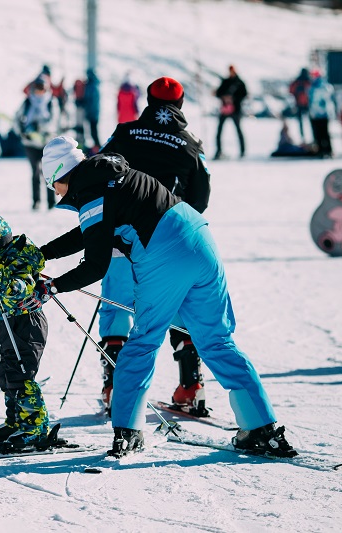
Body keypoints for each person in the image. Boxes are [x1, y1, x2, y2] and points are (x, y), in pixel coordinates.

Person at [38, 136, 297, 459]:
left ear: (59, 176)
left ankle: (129, 431)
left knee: (144, 340)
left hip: (163, 253)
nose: (57, 194)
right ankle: (261, 427)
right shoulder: (108, 176)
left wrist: (52, 287)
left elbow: (96, 263)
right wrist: (42, 254)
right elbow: (93, 232)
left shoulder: (90, 189)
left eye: (53, 186)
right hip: (199, 238)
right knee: (217, 340)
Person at [97, 77, 212, 417]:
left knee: (116, 305)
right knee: (178, 307)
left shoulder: (124, 133)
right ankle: (190, 386)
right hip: (169, 240)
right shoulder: (190, 146)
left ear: (147, 99)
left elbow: (98, 173)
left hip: (122, 235)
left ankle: (114, 386)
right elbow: (201, 200)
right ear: (180, 104)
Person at [0, 214, 55, 452]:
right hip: (9, 322)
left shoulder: (18, 259)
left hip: (27, 323)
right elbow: (0, 298)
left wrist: (2, 283)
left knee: (21, 374)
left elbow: (22, 287)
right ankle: (15, 421)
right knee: (6, 373)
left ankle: (35, 428)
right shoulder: (1, 262)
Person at [16, 76, 58, 210]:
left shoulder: (52, 102)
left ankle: (51, 201)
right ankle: (36, 201)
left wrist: (43, 129)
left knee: (48, 173)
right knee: (35, 171)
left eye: (42, 88)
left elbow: (55, 121)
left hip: (46, 142)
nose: (40, 91)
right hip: (30, 142)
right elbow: (17, 118)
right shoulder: (27, 102)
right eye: (38, 88)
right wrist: (23, 131)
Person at [213, 65, 247, 159]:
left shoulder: (239, 83)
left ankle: (242, 152)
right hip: (225, 109)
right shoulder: (226, 81)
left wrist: (233, 99)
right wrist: (223, 97)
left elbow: (244, 94)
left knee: (238, 131)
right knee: (219, 131)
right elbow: (219, 92)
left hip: (235, 110)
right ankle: (219, 151)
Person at [308, 71, 334, 158]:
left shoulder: (317, 87)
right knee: (323, 133)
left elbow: (316, 101)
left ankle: (324, 150)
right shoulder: (325, 86)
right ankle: (326, 150)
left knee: (320, 133)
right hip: (322, 114)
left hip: (319, 114)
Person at [288, 68, 312, 142]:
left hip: (300, 104)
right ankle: (308, 137)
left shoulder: (298, 81)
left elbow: (291, 90)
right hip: (307, 104)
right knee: (311, 122)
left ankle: (303, 137)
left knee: (302, 122)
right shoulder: (308, 81)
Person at [83, 68, 102, 149]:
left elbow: (92, 100)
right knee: (93, 131)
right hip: (93, 112)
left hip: (93, 113)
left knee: (93, 132)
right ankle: (97, 146)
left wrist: (89, 112)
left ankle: (98, 147)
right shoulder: (93, 84)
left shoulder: (92, 86)